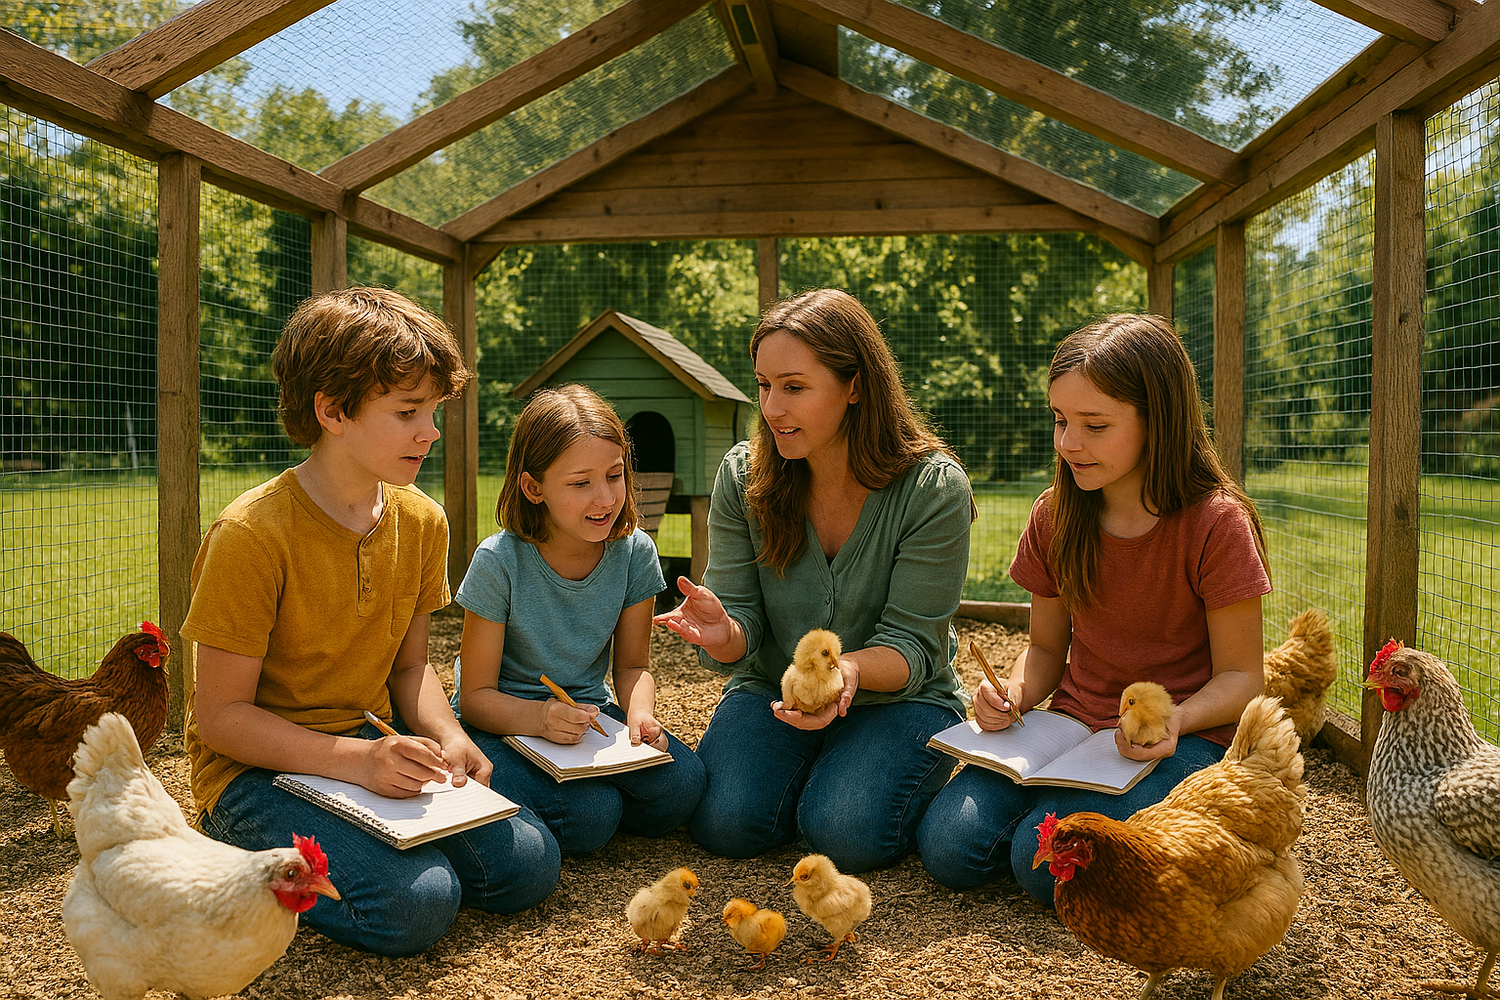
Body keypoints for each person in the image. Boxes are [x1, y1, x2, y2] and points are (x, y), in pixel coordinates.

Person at [182, 287, 560, 957]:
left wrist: (446, 735)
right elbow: (221, 719)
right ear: (333, 411)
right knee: (417, 904)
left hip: (367, 743)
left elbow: (410, 668)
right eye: (408, 412)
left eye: (434, 411)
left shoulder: (422, 521)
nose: (430, 432)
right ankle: (231, 848)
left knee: (528, 863)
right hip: (252, 772)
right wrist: (357, 761)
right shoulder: (250, 534)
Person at [916, 312, 1271, 904]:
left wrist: (1174, 721)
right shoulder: (1056, 515)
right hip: (1072, 727)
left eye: (1094, 425)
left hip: (1182, 736)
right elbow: (1048, 649)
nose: (1068, 443)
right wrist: (1016, 693)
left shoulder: (1216, 524)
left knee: (1041, 866)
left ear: (1158, 421)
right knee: (950, 846)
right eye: (1060, 421)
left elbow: (1244, 676)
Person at [655, 287, 975, 874]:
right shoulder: (743, 476)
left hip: (895, 696)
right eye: (763, 385)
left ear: (856, 386)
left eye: (794, 387)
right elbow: (742, 627)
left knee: (846, 833)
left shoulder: (932, 489)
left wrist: (846, 674)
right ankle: (821, 765)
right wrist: (722, 632)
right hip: (772, 689)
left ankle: (869, 772)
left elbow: (912, 644)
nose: (771, 408)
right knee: (725, 825)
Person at [452, 383, 706, 853]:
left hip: (588, 718)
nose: (605, 498)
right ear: (533, 488)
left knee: (684, 785)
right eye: (580, 483)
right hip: (505, 721)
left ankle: (588, 798)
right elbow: (475, 699)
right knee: (591, 816)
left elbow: (632, 667)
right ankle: (582, 804)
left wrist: (641, 714)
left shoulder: (634, 553)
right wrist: (541, 717)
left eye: (615, 475)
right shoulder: (498, 562)